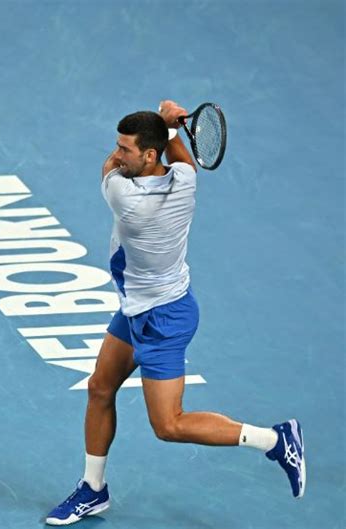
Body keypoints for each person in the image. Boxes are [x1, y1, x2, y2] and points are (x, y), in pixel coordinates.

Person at [45, 100, 306, 526]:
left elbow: (110, 165)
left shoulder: (124, 197)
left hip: (163, 321)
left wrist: (165, 126)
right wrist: (168, 129)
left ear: (149, 155)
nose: (118, 153)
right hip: (138, 309)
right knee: (100, 388)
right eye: (118, 146)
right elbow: (180, 158)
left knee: (169, 425)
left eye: (126, 148)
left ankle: (275, 440)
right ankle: (93, 488)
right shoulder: (185, 180)